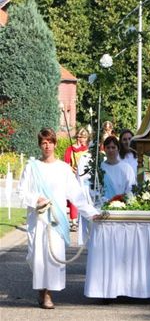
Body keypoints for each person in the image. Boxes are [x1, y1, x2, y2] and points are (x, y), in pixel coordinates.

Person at [18, 128, 99, 309]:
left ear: (55, 144)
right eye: (44, 143)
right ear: (40, 145)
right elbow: (22, 193)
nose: (47, 146)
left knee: (53, 256)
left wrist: (92, 213)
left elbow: (76, 196)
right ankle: (41, 290)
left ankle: (48, 294)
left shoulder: (63, 168)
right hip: (38, 220)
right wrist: (36, 199)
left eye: (50, 142)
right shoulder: (32, 167)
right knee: (36, 257)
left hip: (56, 219)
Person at [63, 127, 90, 232]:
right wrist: (71, 169)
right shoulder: (70, 149)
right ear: (78, 137)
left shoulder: (88, 149)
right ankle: (74, 222)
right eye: (82, 137)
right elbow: (66, 163)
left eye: (85, 137)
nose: (84, 140)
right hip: (73, 176)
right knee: (74, 198)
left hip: (85, 178)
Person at [101, 136, 136, 202]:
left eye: (113, 147)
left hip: (121, 206)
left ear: (118, 149)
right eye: (108, 147)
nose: (110, 150)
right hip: (102, 205)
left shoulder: (127, 168)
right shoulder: (100, 167)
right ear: (104, 149)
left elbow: (130, 188)